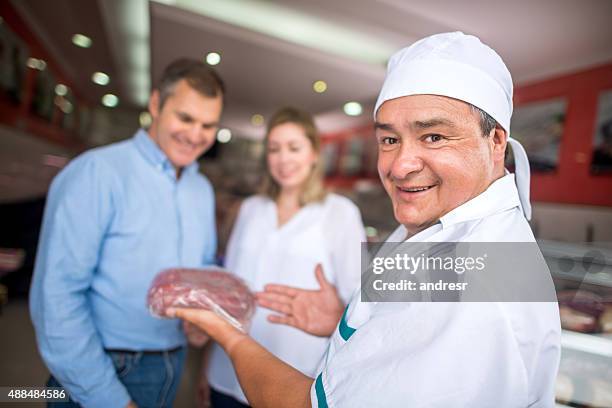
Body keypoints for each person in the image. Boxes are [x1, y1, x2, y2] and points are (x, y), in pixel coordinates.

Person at [172, 32, 562, 407]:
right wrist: (337, 319)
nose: (401, 166)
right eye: (389, 140)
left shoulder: (480, 286)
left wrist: (225, 333)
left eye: (434, 137)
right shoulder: (431, 229)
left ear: (495, 141)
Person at [29, 58, 224, 407]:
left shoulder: (202, 190)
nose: (196, 135)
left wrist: (200, 317)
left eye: (208, 125)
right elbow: (56, 296)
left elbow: (202, 268)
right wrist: (107, 398)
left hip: (172, 361)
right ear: (155, 104)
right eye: (185, 118)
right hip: (101, 365)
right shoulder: (97, 172)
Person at [203, 107, 366, 407]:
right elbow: (231, 282)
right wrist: (204, 367)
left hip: (294, 381)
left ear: (314, 153)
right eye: (274, 149)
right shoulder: (251, 208)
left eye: (294, 148)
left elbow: (360, 300)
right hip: (228, 371)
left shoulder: (340, 213)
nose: (283, 159)